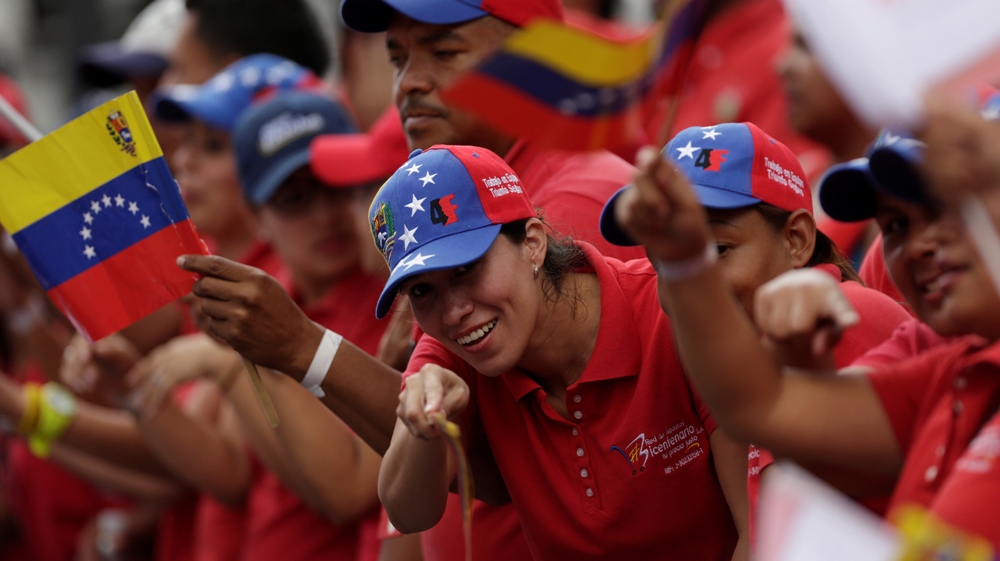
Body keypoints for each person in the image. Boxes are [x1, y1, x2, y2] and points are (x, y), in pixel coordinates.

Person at [610, 109, 1000, 546]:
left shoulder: (849, 314)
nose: (920, 245)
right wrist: (684, 263)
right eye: (896, 225)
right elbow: (764, 410)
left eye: (951, 207)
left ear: (797, 239)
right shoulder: (944, 362)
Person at [360, 144, 745, 560]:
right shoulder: (454, 352)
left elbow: (760, 530)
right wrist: (423, 424)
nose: (453, 311)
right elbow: (408, 511)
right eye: (422, 290)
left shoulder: (667, 313)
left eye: (466, 268)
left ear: (532, 243)